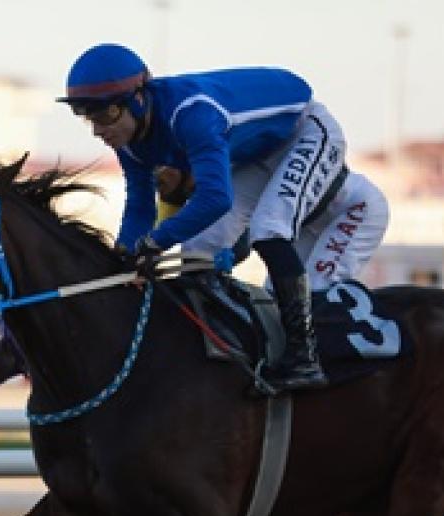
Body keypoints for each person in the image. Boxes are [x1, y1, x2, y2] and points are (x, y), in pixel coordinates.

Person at [59, 43, 356, 392]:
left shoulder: (191, 115)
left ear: (138, 99)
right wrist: (122, 257)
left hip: (305, 132)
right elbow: (140, 206)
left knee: (268, 230)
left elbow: (215, 198)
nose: (98, 130)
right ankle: (232, 348)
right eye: (87, 117)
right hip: (253, 153)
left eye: (106, 115)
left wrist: (154, 242)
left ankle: (304, 357)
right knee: (197, 251)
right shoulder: (128, 142)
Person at [154, 165, 391, 295]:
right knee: (278, 300)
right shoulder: (182, 188)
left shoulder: (224, 174)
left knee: (314, 294)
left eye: (162, 176)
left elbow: (241, 244)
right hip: (307, 225)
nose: (158, 182)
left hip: (354, 209)